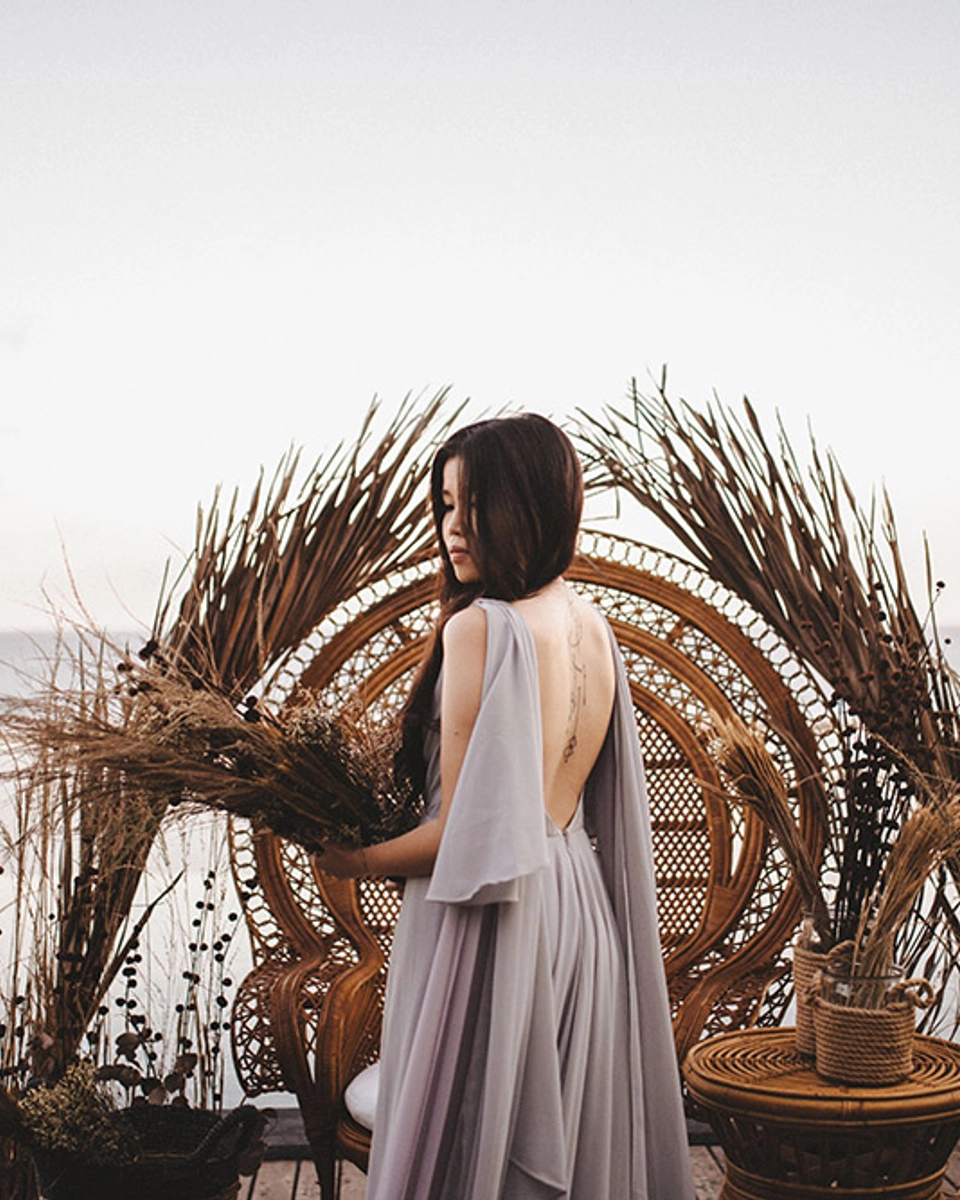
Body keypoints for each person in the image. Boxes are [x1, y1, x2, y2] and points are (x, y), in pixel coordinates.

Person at [319, 414, 695, 1200]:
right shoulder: (592, 623)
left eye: (477, 503)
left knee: (472, 1151)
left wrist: (351, 860)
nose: (455, 528)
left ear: (529, 505)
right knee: (553, 1126)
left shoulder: (480, 629)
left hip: (497, 922)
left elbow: (460, 839)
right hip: (580, 910)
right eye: (446, 504)